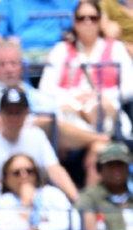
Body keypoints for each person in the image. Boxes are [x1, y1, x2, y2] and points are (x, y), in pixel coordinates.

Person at [40, 2, 133, 139]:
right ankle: (97, 140)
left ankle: (99, 140)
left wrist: (101, 96)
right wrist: (72, 98)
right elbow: (45, 88)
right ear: (74, 22)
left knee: (102, 110)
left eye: (93, 18)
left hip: (107, 110)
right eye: (81, 18)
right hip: (70, 112)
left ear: (100, 21)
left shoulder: (117, 48)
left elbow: (129, 86)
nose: (87, 22)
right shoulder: (60, 50)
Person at [0, 86, 79, 198]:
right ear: (0, 114)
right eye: (9, 112)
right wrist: (23, 194)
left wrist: (77, 200)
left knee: (54, 196)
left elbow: (55, 170)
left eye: (18, 112)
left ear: (26, 113)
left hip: (37, 196)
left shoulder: (37, 135)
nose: (14, 118)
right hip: (3, 199)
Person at [0, 151, 78, 230]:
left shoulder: (52, 193)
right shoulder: (3, 201)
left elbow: (73, 223)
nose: (24, 176)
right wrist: (25, 204)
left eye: (29, 171)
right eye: (17, 173)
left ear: (36, 174)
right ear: (6, 179)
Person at [76, 138, 132, 230]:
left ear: (127, 167)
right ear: (100, 169)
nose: (116, 170)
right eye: (110, 165)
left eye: (120, 164)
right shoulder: (89, 197)